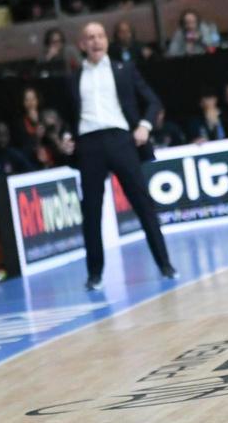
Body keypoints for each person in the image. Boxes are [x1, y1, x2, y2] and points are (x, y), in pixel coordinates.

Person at [68, 22, 177, 291]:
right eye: (90, 37)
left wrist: (145, 126)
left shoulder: (124, 69)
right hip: (89, 145)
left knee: (142, 204)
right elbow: (68, 116)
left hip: (121, 140)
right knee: (91, 212)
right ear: (82, 45)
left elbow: (153, 102)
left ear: (106, 40)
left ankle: (165, 264)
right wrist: (66, 137)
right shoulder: (72, 77)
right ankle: (94, 274)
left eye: (100, 36)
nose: (96, 41)